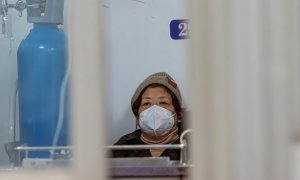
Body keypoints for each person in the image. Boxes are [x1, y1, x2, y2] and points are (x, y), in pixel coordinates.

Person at [112, 72, 184, 160]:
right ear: (137, 118)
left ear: (179, 116)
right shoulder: (121, 150)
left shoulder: (195, 148)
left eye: (163, 102)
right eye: (146, 103)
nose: (154, 110)